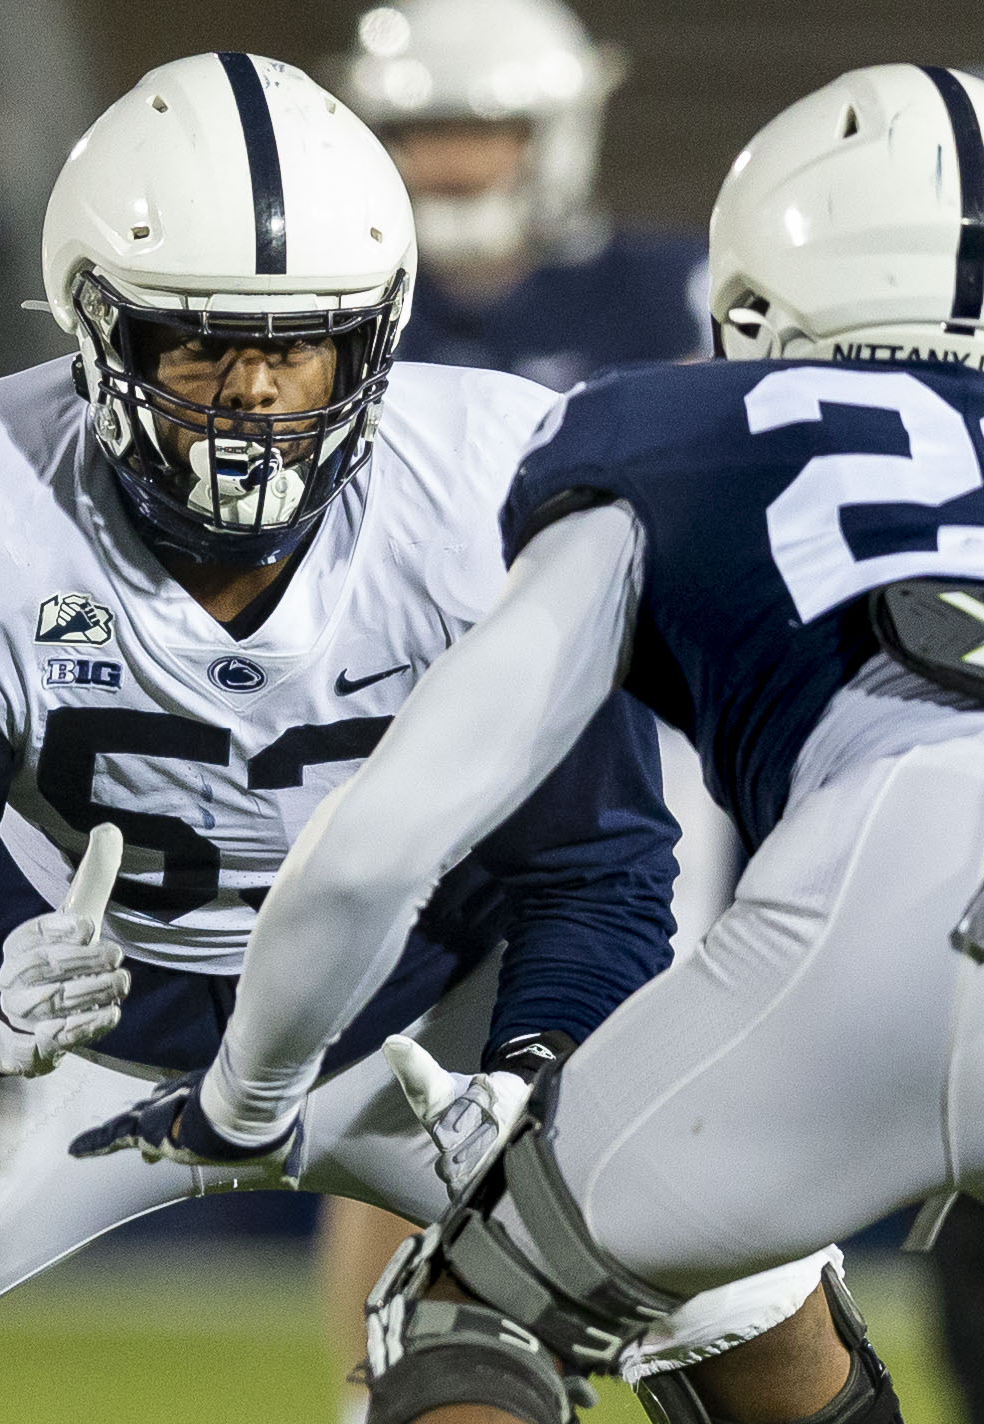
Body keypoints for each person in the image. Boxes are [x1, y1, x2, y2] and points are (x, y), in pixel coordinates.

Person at [0, 53, 849, 1424]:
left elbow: (592, 870)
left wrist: (542, 1067)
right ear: (95, 330)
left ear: (374, 337)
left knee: (762, 1311)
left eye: (296, 343)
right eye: (199, 339)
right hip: (80, 1025)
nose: (251, 392)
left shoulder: (491, 491)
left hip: (428, 1009)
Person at [82, 63, 984, 1424]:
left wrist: (252, 1085)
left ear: (756, 295)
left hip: (926, 838)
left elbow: (384, 841)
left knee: (475, 1307)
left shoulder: (681, 426)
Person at [316, 6, 736, 1413]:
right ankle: (380, 1397)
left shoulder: (675, 295)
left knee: (688, 1099)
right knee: (398, 1108)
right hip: (399, 752)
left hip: (634, 757)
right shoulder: (321, 297)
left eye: (478, 124)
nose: (446, 157)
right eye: (421, 126)